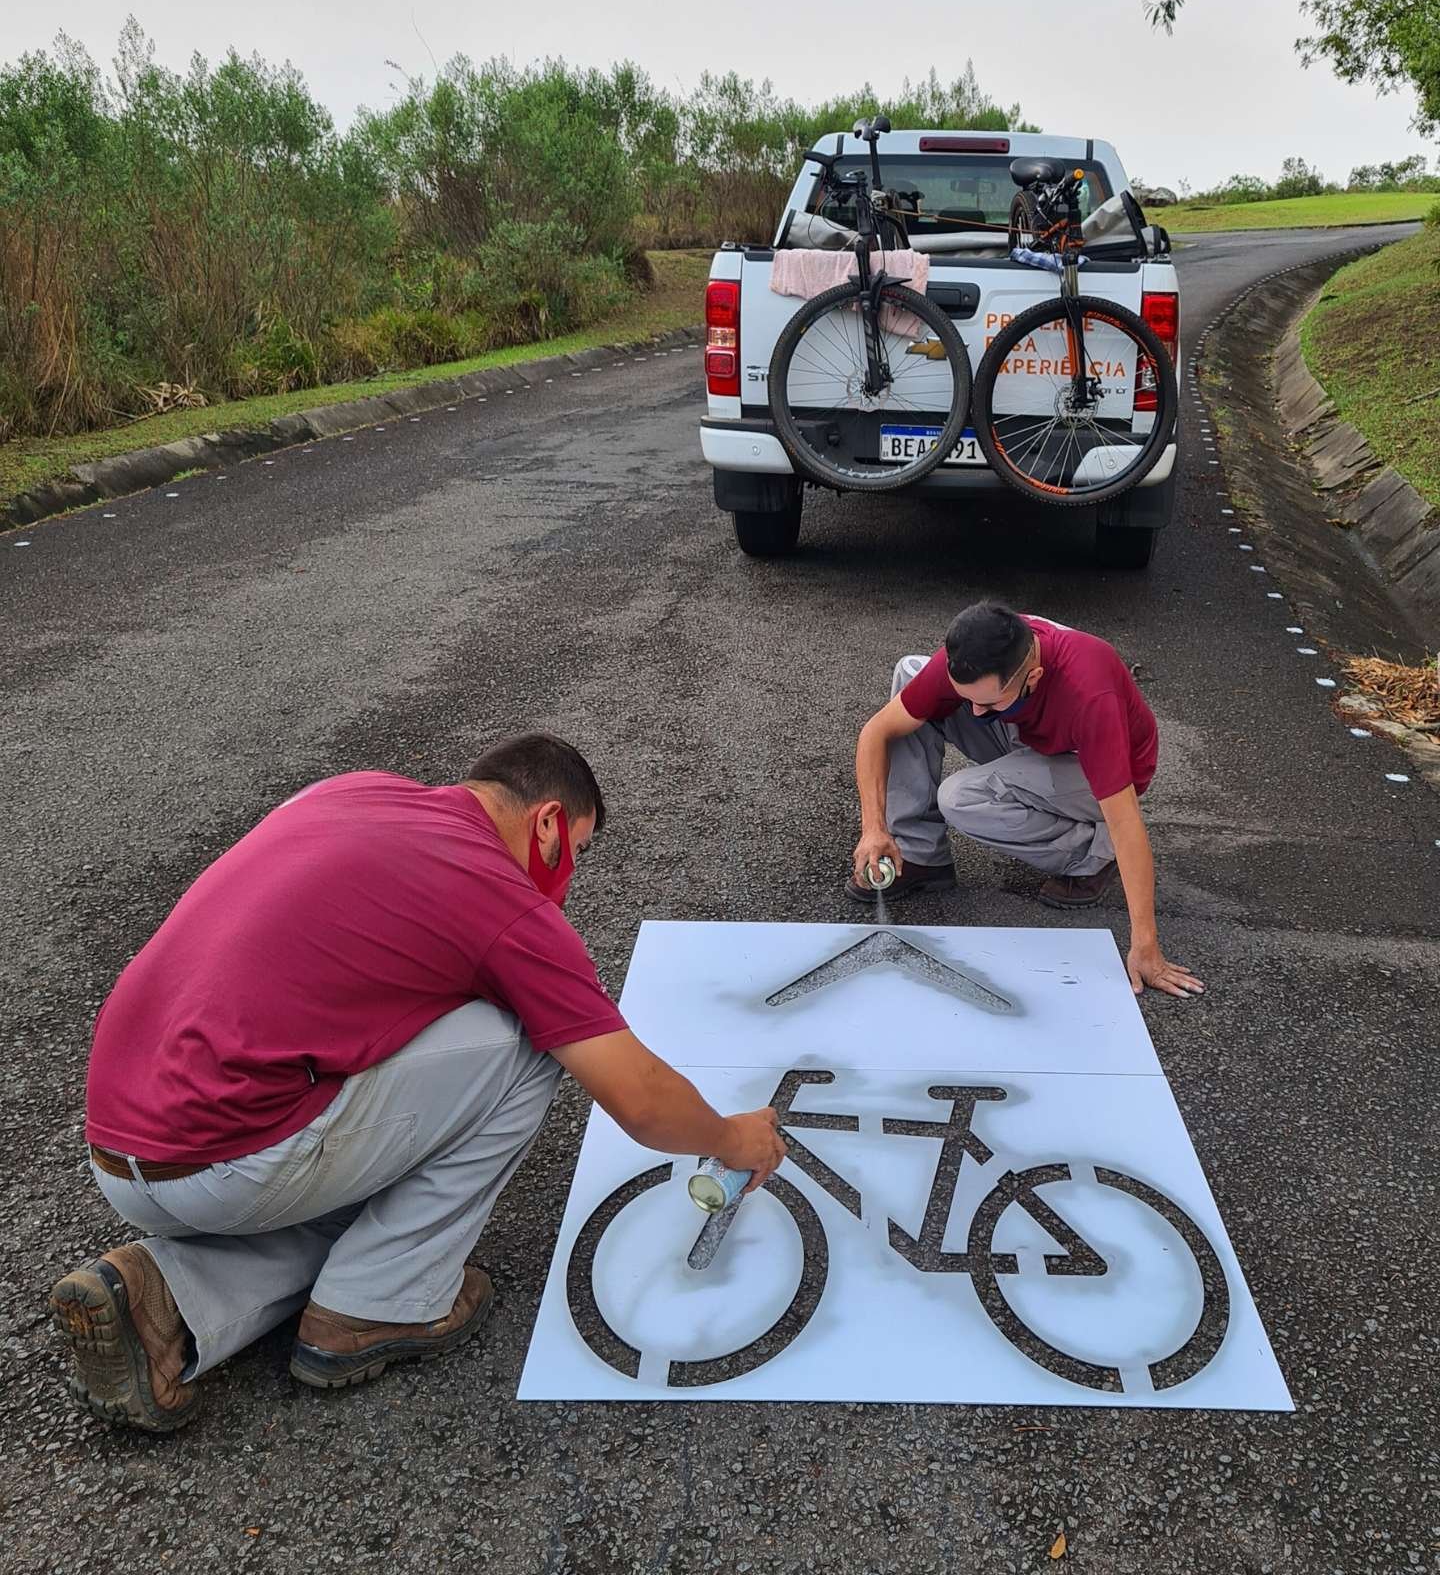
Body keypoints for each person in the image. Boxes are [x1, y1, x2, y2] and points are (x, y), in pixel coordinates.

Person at [50, 734, 785, 1434]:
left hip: (121, 1148)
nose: (570, 876)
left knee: (379, 1169)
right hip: (231, 1161)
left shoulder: (354, 791)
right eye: (578, 854)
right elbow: (642, 1101)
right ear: (551, 824)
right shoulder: (499, 895)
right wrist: (732, 1137)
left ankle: (164, 1298)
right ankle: (378, 1302)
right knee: (530, 1041)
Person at [848, 603, 1203, 1000]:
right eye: (969, 701)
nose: (975, 712)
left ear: (1033, 676)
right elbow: (876, 733)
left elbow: (1126, 821)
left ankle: (1091, 853)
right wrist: (874, 829)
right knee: (909, 675)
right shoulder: (982, 662)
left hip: (1093, 766)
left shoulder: (1089, 692)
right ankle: (918, 854)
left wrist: (1146, 947)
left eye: (986, 704)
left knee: (962, 797)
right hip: (1029, 731)